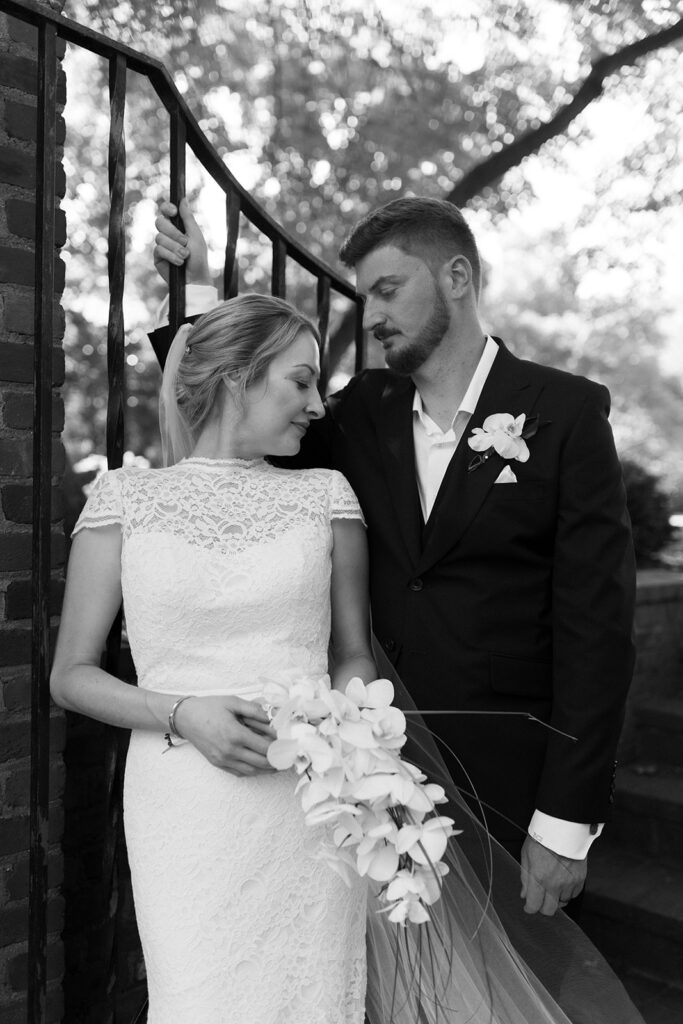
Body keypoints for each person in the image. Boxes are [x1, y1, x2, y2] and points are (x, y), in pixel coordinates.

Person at [152, 195, 636, 921]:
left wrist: (563, 824)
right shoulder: (360, 410)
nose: (371, 314)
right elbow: (235, 414)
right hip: (366, 787)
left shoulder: (565, 414)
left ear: (457, 277)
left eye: (387, 289)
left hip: (510, 787)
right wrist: (190, 295)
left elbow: (597, 632)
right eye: (361, 295)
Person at [50, 295, 375, 1023]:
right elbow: (70, 675)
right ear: (235, 377)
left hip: (307, 802)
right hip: (183, 809)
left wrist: (331, 723)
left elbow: (355, 655)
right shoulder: (124, 499)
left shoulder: (327, 497)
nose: (317, 405)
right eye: (300, 381)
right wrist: (182, 713)